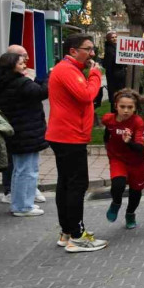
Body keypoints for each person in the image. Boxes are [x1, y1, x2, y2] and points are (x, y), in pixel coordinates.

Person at [46, 33, 107, 252]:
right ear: (73, 51)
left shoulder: (67, 69)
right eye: (88, 49)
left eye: (93, 50)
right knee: (76, 185)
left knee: (66, 184)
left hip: (65, 135)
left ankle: (67, 232)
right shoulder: (67, 70)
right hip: (69, 136)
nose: (92, 54)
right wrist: (95, 75)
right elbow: (86, 95)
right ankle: (78, 236)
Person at [0, 52, 48, 217]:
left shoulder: (2, 81)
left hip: (17, 131)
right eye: (21, 63)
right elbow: (42, 92)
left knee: (21, 170)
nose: (25, 66)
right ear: (11, 66)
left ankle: (20, 203)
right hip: (25, 132)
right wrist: (48, 77)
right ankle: (23, 206)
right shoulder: (21, 82)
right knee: (27, 170)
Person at [0, 45, 34, 204]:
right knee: (7, 157)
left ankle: (26, 190)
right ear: (12, 60)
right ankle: (9, 190)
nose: (26, 60)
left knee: (21, 159)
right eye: (23, 57)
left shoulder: (18, 76)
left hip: (19, 120)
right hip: (4, 121)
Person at [101, 89, 144, 229]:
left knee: (136, 191)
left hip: (136, 161)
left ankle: (130, 214)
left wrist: (129, 142)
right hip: (117, 158)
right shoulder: (108, 119)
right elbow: (107, 131)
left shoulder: (138, 122)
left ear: (135, 108)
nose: (126, 111)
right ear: (116, 106)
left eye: (130, 107)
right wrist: (108, 146)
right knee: (118, 185)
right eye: (122, 107)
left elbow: (140, 148)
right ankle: (116, 203)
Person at [102, 31, 126, 112]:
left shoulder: (116, 47)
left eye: (115, 37)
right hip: (114, 77)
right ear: (109, 39)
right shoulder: (109, 49)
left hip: (119, 75)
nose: (114, 39)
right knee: (115, 96)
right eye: (112, 37)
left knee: (119, 95)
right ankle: (115, 113)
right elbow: (108, 65)